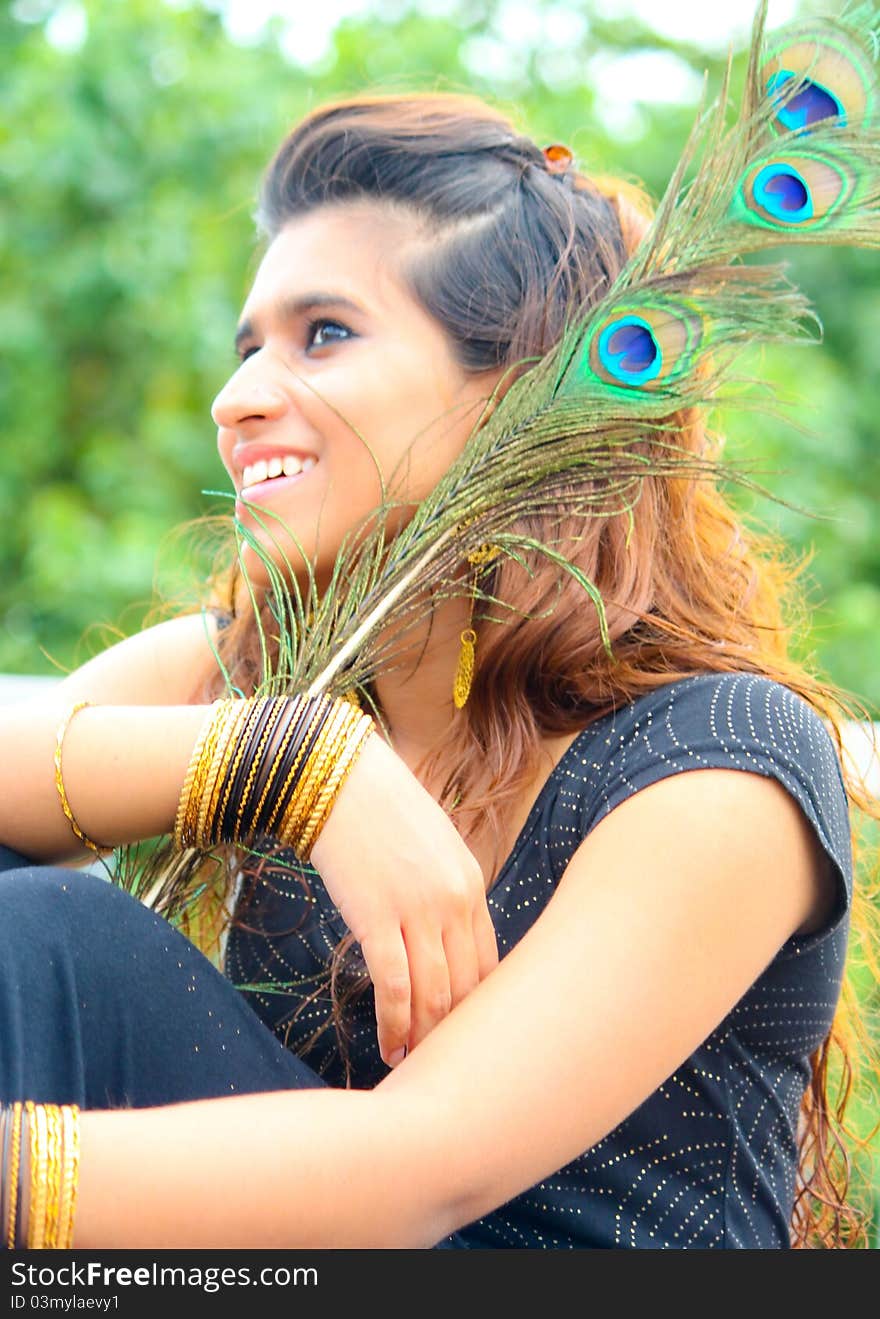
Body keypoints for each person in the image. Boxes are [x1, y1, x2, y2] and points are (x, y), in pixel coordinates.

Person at [0, 87, 877, 1251]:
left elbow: (422, 1168)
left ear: (520, 392)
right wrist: (288, 761)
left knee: (63, 940)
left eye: (325, 334)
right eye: (247, 345)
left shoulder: (720, 762)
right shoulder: (271, 676)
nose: (236, 398)